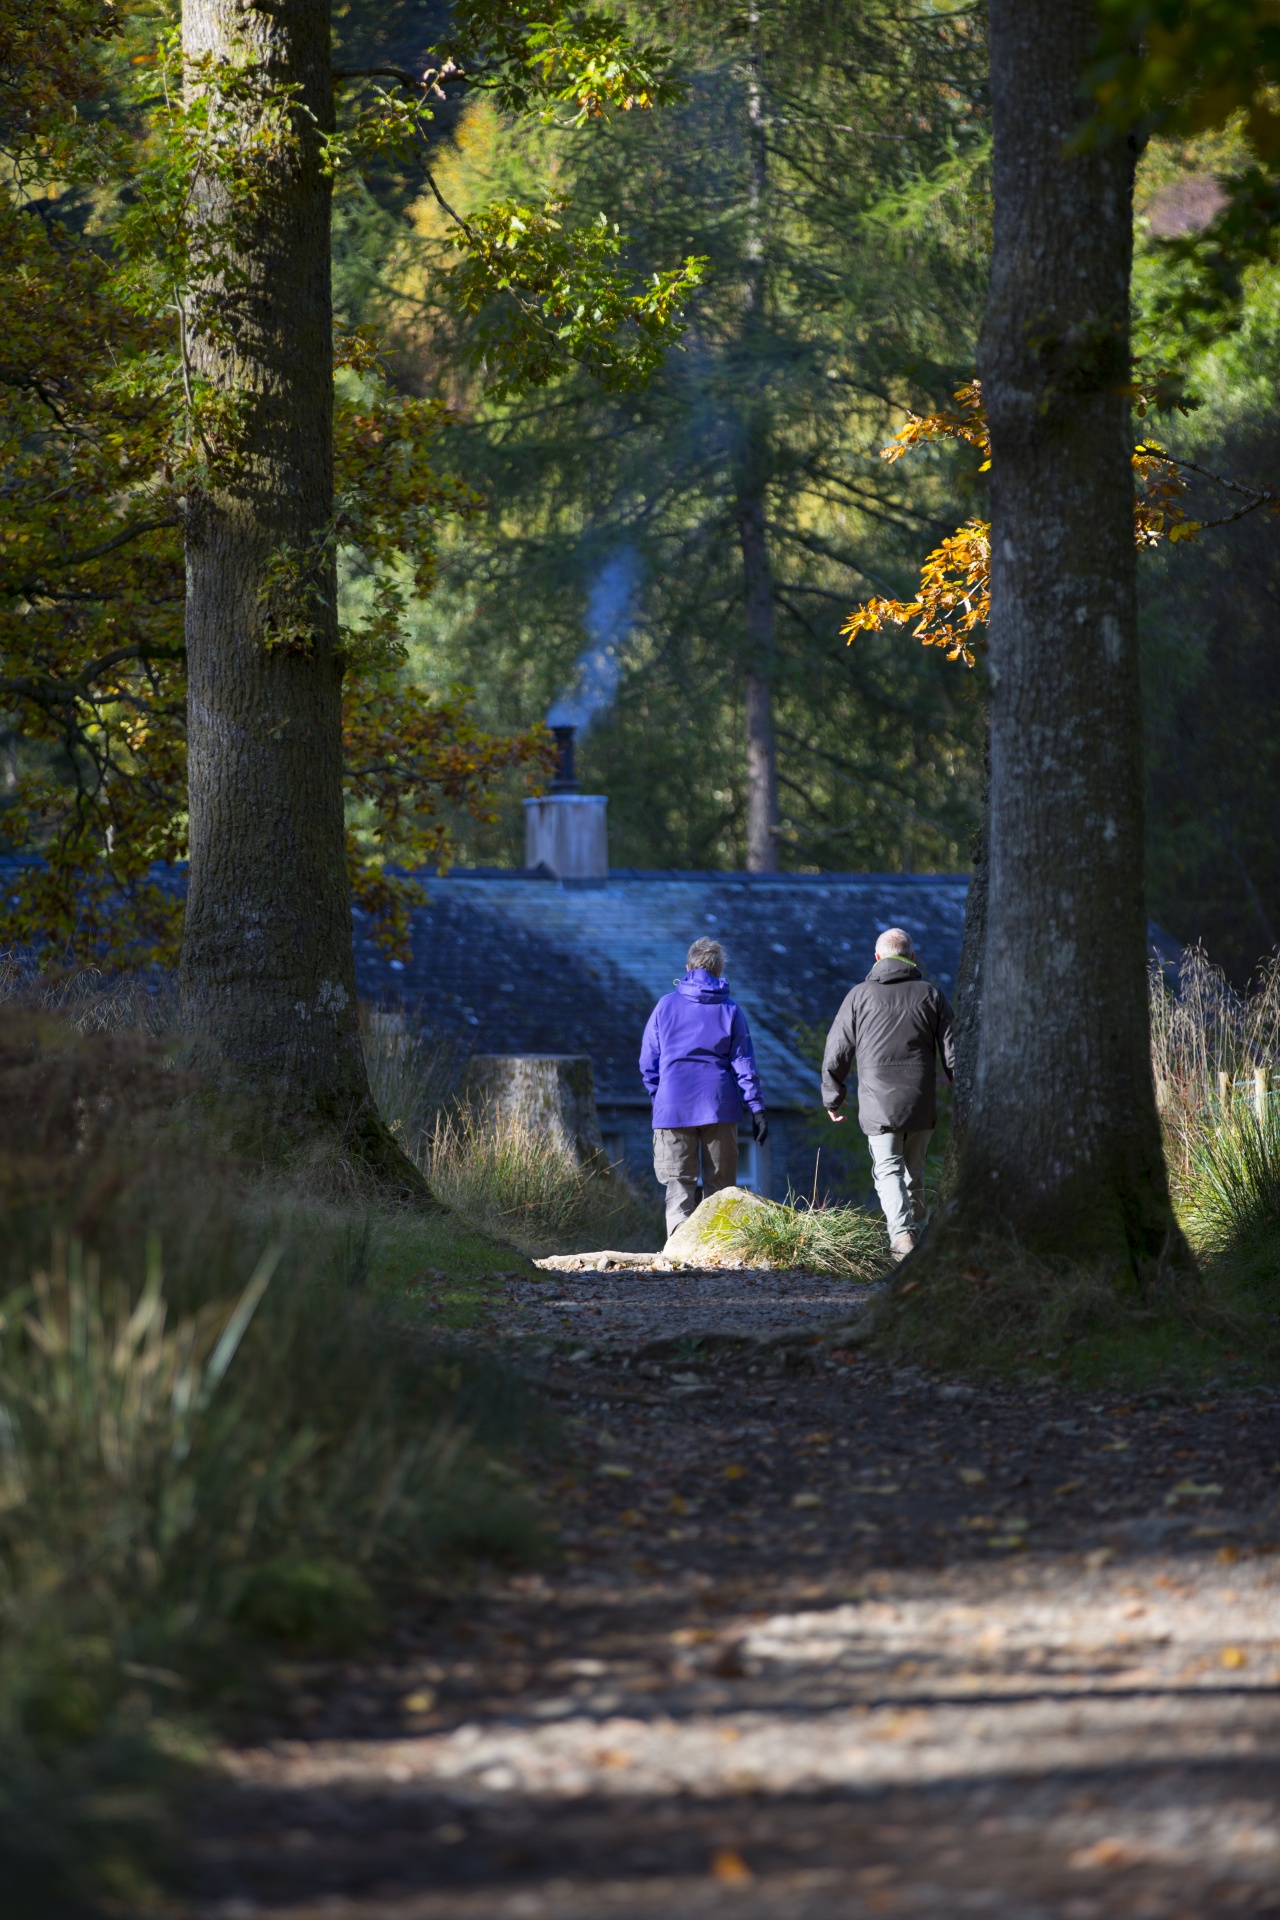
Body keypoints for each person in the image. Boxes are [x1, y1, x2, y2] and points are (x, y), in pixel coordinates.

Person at [822, 926, 954, 1260]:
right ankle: (917, 1235)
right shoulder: (931, 995)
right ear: (911, 957)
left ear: (877, 958)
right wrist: (963, 1090)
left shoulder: (858, 996)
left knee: (889, 1170)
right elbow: (954, 1052)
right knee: (915, 1170)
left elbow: (837, 1050)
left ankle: (901, 1239)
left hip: (878, 1102)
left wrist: (833, 1094)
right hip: (920, 1100)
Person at [639, 937, 768, 1241]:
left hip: (673, 1104)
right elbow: (743, 1062)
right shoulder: (730, 1009)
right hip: (719, 1103)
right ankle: (718, 1249)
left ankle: (680, 1250)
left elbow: (648, 1062)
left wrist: (661, 1097)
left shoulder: (665, 1005)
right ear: (720, 971)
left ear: (687, 968)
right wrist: (757, 1109)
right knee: (720, 1187)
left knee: (678, 1185)